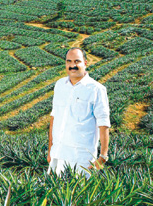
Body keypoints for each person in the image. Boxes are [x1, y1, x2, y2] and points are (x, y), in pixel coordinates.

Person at [47, 47, 110, 177]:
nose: (72, 66)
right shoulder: (60, 85)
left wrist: (103, 157)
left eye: (77, 61)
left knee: (78, 195)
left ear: (85, 63)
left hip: (81, 158)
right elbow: (54, 118)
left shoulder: (96, 89)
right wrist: (50, 150)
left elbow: (103, 123)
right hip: (57, 155)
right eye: (69, 61)